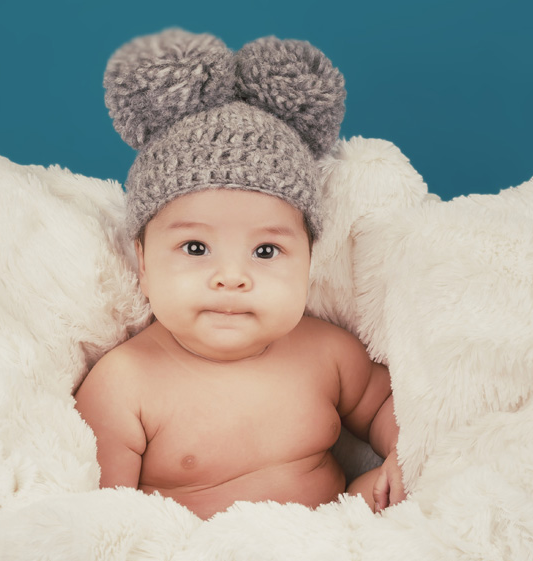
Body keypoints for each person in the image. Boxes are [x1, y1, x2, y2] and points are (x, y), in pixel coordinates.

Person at [75, 29, 404, 520]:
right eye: (195, 247)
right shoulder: (123, 386)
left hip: (332, 553)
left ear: (309, 263)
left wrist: (402, 456)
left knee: (389, 491)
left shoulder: (328, 353)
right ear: (143, 264)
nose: (231, 277)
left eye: (266, 250)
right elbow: (103, 524)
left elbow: (388, 408)